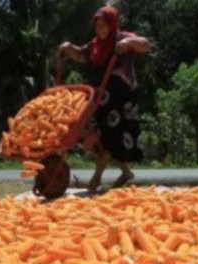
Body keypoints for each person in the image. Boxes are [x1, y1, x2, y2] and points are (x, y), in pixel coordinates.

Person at [58, 6, 151, 191]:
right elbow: (80, 55)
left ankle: (96, 179)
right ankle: (126, 172)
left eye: (103, 25)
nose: (100, 29)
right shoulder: (94, 45)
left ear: (112, 24)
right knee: (103, 137)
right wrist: (68, 48)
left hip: (122, 97)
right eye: (97, 25)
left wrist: (129, 42)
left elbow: (145, 45)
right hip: (102, 96)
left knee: (109, 135)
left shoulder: (122, 37)